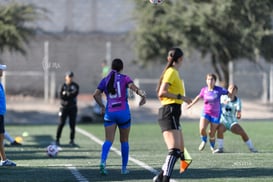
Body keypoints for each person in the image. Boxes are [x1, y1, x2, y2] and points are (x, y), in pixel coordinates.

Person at [93, 58, 146, 175]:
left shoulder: (105, 80)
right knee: (124, 141)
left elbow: (95, 95)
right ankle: (123, 168)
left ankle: (102, 162)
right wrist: (143, 96)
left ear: (111, 67)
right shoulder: (125, 78)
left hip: (110, 113)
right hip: (123, 113)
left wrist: (102, 106)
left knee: (108, 140)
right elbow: (134, 88)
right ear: (122, 68)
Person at [153, 48, 192, 182]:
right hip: (169, 112)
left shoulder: (174, 72)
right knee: (174, 150)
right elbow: (162, 93)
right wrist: (182, 97)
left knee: (182, 154)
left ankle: (159, 178)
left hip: (173, 112)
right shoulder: (171, 72)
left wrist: (182, 99)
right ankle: (164, 179)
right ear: (180, 59)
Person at [187, 73, 228, 152]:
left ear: (215, 81)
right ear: (206, 81)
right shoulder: (204, 90)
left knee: (211, 133)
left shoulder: (219, 90)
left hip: (215, 114)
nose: (210, 81)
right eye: (208, 79)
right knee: (202, 129)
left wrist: (228, 100)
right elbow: (198, 97)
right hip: (206, 113)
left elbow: (228, 93)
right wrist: (191, 104)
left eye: (212, 79)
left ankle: (212, 147)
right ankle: (204, 140)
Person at [213, 84, 257, 153]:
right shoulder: (222, 97)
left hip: (232, 122)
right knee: (220, 129)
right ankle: (220, 148)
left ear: (236, 92)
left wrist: (238, 115)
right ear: (228, 89)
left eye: (234, 89)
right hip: (223, 121)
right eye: (230, 88)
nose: (232, 90)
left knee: (242, 132)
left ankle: (251, 148)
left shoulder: (238, 101)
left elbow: (238, 112)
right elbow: (216, 105)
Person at [56, 71, 79, 146]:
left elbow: (74, 94)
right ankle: (57, 139)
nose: (70, 78)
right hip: (63, 108)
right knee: (61, 123)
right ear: (66, 77)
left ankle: (72, 140)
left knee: (72, 124)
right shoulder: (62, 86)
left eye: (71, 76)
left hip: (72, 107)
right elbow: (61, 96)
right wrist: (67, 94)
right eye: (69, 76)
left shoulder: (75, 85)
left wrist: (66, 94)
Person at [0, 64, 16, 166]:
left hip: (0, 114)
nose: (2, 71)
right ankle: (4, 159)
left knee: (1, 137)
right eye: (1, 69)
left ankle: (3, 160)